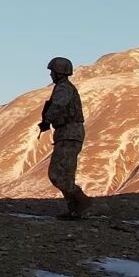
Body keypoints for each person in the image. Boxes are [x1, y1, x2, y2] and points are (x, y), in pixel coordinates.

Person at [37, 57, 91, 219]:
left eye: (53, 71)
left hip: (68, 132)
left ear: (59, 72)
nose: (51, 75)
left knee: (58, 174)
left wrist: (47, 120)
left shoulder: (63, 88)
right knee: (64, 174)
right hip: (66, 132)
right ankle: (74, 209)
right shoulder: (63, 88)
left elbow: (58, 105)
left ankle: (82, 201)